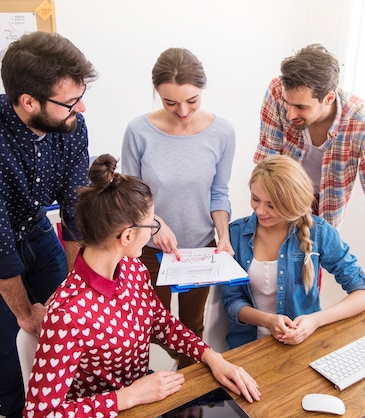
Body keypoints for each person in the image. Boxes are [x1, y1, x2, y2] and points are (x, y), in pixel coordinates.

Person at [24, 154, 260, 416]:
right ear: (127, 235)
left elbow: (161, 322)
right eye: (151, 224)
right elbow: (39, 413)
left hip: (145, 399)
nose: (153, 231)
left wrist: (211, 356)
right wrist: (127, 397)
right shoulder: (67, 315)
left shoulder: (133, 269)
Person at [0, 32, 97, 418]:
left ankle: (69, 405)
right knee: (7, 342)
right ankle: (16, 411)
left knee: (66, 323)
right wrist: (26, 314)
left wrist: (74, 282)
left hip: (36, 230)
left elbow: (75, 208)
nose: (82, 108)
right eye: (71, 100)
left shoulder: (71, 124)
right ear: (28, 101)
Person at [255, 43, 365, 317]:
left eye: (301, 107)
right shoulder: (278, 91)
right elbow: (267, 161)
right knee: (264, 283)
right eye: (287, 104)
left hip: (322, 214)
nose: (290, 114)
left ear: (328, 98)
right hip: (277, 195)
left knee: (304, 294)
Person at [122, 48, 235, 368]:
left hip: (199, 247)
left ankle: (187, 398)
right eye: (170, 102)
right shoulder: (138, 131)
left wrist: (223, 236)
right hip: (146, 248)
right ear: (157, 93)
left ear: (203, 90)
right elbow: (132, 195)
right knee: (148, 329)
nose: (182, 111)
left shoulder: (222, 132)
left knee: (191, 330)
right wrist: (156, 224)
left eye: (192, 100)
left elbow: (219, 192)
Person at [221, 155, 365, 349]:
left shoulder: (318, 232)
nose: (260, 211)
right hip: (248, 345)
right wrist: (267, 320)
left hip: (302, 345)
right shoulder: (235, 234)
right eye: (255, 199)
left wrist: (315, 321)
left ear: (291, 203)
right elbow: (232, 302)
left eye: (271, 205)